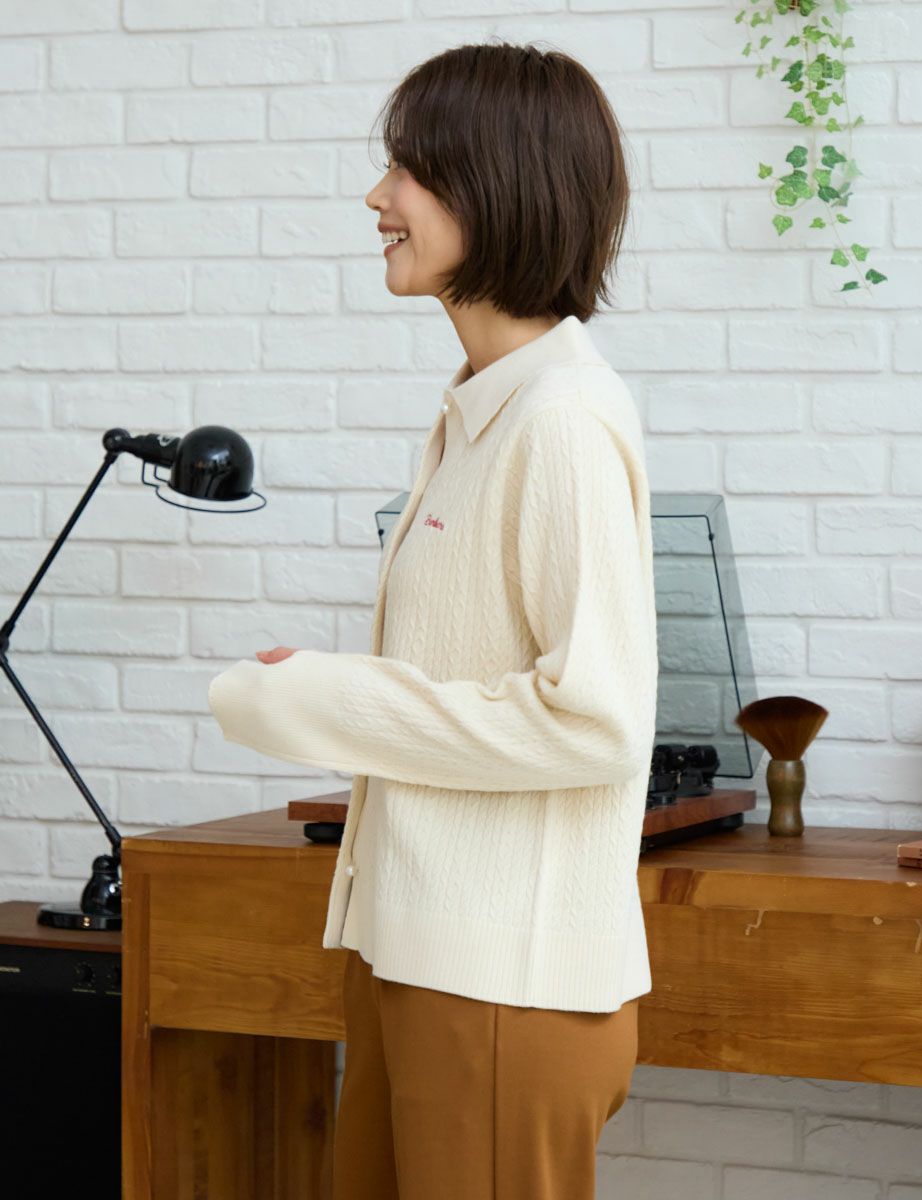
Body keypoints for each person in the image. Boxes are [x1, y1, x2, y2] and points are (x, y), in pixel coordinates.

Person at [209, 37, 658, 1200]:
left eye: (408, 168)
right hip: (417, 954)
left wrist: (332, 701)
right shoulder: (480, 412)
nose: (378, 197)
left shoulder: (559, 421)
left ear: (495, 183)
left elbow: (598, 721)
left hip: (499, 984)